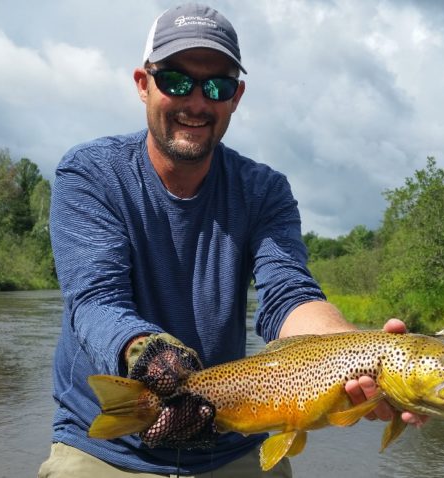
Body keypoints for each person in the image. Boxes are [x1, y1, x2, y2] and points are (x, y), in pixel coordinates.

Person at [38, 3, 424, 477]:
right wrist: (151, 358)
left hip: (232, 439)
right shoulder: (91, 174)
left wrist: (354, 353)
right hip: (109, 446)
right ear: (143, 84)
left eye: (216, 85)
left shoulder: (264, 190)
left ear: (236, 96)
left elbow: (288, 294)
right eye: (177, 81)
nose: (197, 102)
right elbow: (95, 302)